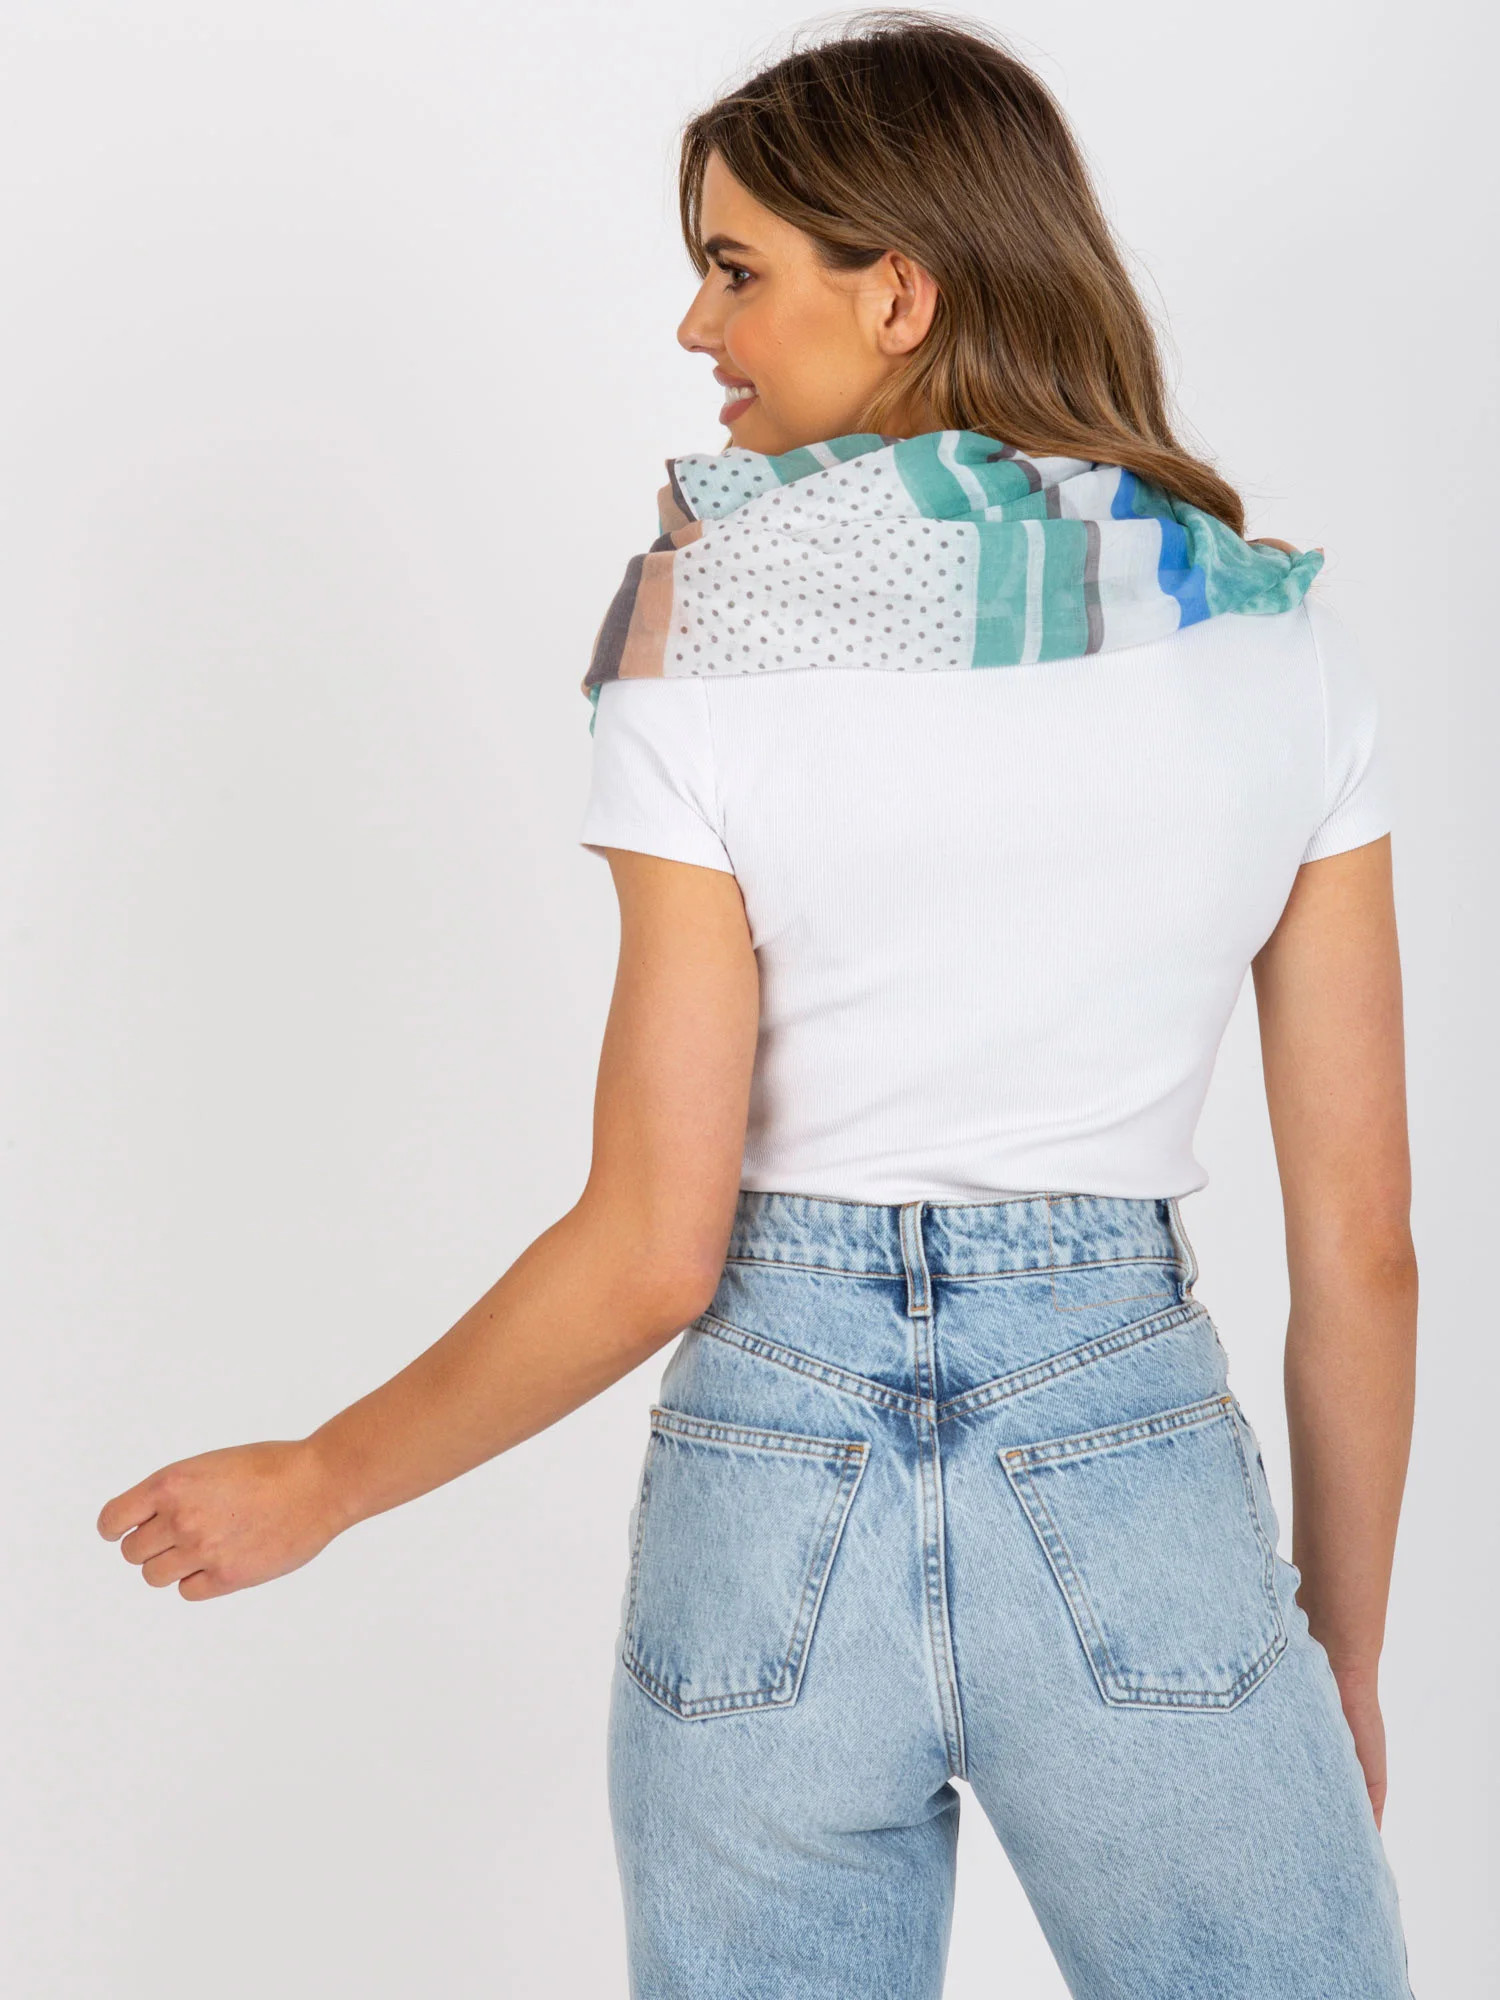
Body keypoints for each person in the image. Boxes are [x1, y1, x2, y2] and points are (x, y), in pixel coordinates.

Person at [97, 13, 1418, 1996]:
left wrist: (326, 1476)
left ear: (900, 290)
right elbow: (1364, 1247)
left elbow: (656, 1244)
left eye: (736, 268)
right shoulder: (1273, 642)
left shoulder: (695, 636)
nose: (696, 326)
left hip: (768, 1477)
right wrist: (1343, 1652)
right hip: (1127, 1467)